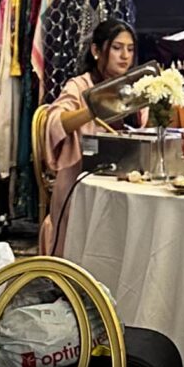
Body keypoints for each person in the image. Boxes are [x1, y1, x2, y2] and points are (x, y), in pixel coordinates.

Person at [40, 17, 139, 256]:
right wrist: (93, 109)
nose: (125, 56)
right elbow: (54, 123)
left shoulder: (134, 86)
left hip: (126, 178)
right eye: (117, 48)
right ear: (96, 50)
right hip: (81, 179)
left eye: (130, 49)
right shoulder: (79, 86)